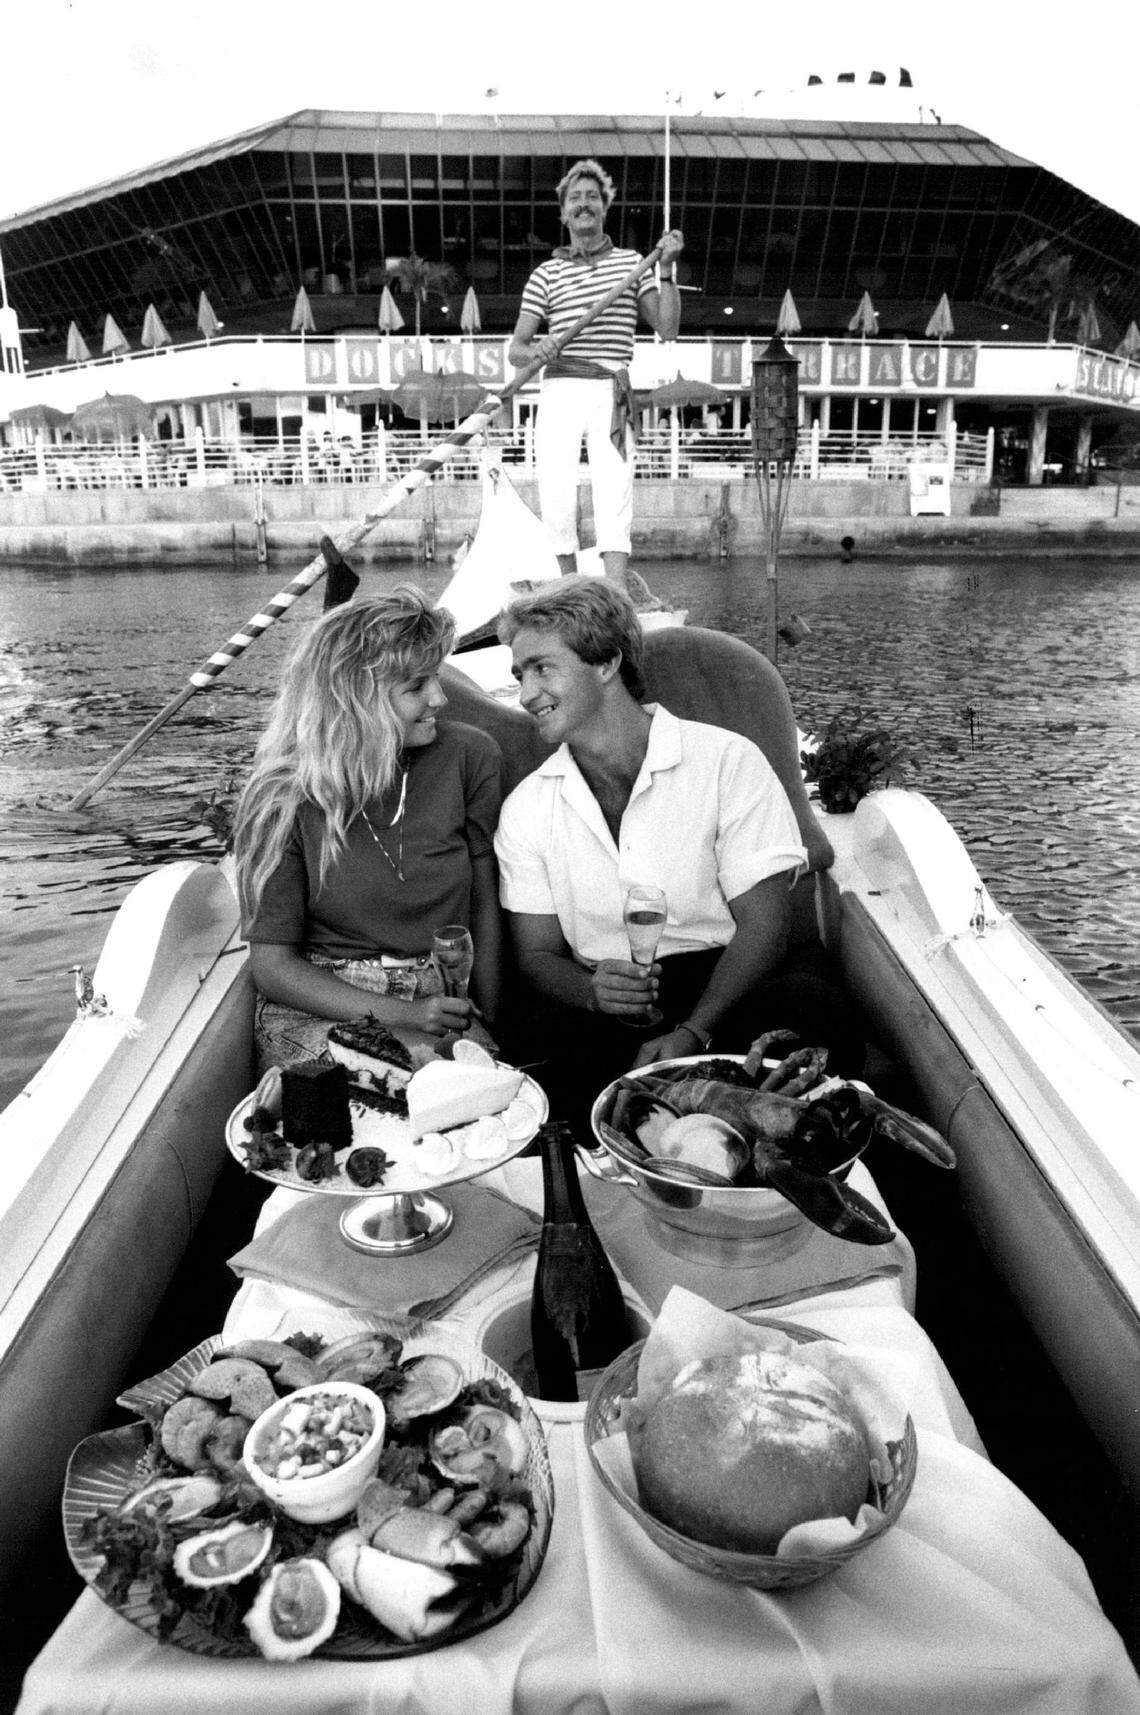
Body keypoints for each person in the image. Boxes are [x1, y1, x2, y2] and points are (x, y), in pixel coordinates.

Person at [493, 580, 844, 1119]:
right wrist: (592, 991)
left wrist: (695, 1032)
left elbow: (764, 927)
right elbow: (536, 956)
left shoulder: (727, 761)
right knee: (526, 1051)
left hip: (728, 987)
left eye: (543, 668)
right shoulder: (527, 808)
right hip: (607, 1004)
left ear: (606, 662)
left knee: (809, 1012)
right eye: (520, 675)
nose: (525, 694)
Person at [233, 588, 503, 1073]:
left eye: (435, 678)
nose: (439, 698)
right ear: (355, 699)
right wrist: (407, 1015)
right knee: (408, 1087)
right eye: (416, 686)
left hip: (440, 998)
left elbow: (484, 903)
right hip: (321, 1008)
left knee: (489, 1091)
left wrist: (495, 1022)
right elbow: (273, 968)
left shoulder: (469, 757)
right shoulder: (279, 797)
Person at [508, 159, 684, 604]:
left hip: (611, 387)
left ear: (604, 208)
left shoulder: (632, 264)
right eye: (575, 199)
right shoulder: (544, 275)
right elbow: (517, 350)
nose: (583, 205)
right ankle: (569, 589)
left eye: (591, 197)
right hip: (561, 386)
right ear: (563, 213)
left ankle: (617, 594)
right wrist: (539, 350)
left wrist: (665, 270)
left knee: (614, 490)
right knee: (557, 491)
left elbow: (666, 328)